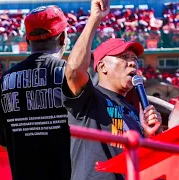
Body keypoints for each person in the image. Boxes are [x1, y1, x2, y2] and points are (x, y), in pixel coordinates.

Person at [61, 0, 162, 180]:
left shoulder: (131, 111)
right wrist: (94, 19)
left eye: (134, 59)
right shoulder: (89, 98)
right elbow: (74, 70)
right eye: (124, 57)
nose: (132, 62)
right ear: (102, 66)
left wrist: (147, 135)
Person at [0, 5, 71, 180]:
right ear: (63, 37)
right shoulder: (71, 76)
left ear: (27, 40)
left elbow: (4, 140)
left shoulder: (6, 80)